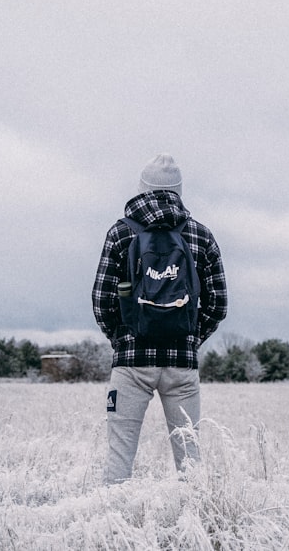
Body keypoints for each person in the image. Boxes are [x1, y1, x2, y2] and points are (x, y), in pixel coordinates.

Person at [92, 153, 228, 484]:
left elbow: (102, 301)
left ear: (142, 189)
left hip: (132, 361)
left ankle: (110, 527)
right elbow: (218, 304)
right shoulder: (200, 235)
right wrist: (191, 338)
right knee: (190, 457)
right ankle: (195, 524)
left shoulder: (120, 233)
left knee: (120, 455)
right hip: (182, 363)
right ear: (179, 192)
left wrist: (124, 337)